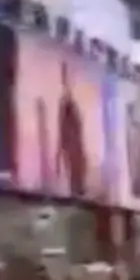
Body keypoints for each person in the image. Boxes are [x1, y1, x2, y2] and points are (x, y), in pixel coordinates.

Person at [55, 61, 87, 198]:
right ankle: (76, 189)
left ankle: (78, 188)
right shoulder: (65, 105)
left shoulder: (70, 105)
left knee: (78, 165)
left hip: (75, 142)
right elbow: (63, 124)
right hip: (71, 142)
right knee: (75, 165)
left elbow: (77, 124)